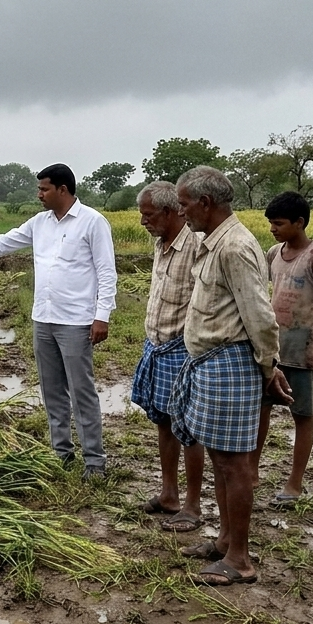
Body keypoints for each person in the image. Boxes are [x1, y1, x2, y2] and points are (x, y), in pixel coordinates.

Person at [0, 164, 117, 479]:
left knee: (81, 390)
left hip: (76, 322)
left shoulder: (93, 223)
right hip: (43, 319)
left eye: (44, 189)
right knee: (52, 390)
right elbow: (2, 242)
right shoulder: (39, 223)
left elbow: (107, 272)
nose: (39, 195)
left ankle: (94, 462)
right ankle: (62, 454)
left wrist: (102, 316)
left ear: (63, 190)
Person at [169, 165, 291, 587]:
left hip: (230, 364)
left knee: (234, 465)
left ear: (205, 203)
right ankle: (224, 542)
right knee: (222, 461)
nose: (181, 212)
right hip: (213, 364)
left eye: (184, 204)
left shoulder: (234, 248)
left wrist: (268, 367)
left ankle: (239, 559)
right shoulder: (214, 242)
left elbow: (260, 317)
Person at [254, 191, 313, 507]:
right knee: (260, 410)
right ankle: (251, 472)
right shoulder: (273, 254)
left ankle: (294, 483)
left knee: (302, 416)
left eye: (278, 223)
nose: (273, 229)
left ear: (299, 222)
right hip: (273, 351)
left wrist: (308, 330)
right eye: (270, 224)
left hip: (303, 354)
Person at [132, 181, 207, 533]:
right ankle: (169, 494)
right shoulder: (160, 245)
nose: (143, 221)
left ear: (170, 211)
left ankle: (192, 505)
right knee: (163, 421)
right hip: (157, 345)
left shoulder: (196, 246)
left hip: (183, 349)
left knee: (189, 430)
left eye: (148, 215)